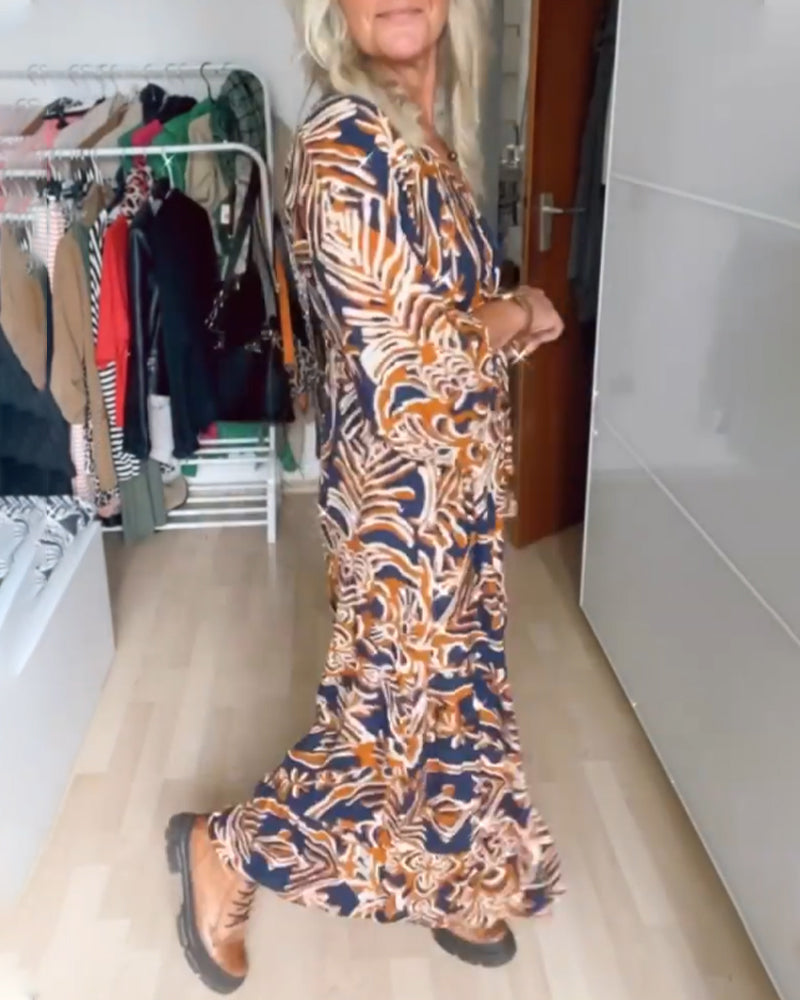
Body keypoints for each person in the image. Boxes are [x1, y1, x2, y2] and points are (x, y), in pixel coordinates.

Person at [165, 0, 565, 992]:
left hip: (456, 488)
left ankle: (463, 881)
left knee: (460, 705)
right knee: (385, 723)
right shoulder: (345, 141)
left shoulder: (422, 134)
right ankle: (228, 847)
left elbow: (441, 321)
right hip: (399, 504)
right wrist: (517, 311)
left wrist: (498, 323)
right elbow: (407, 359)